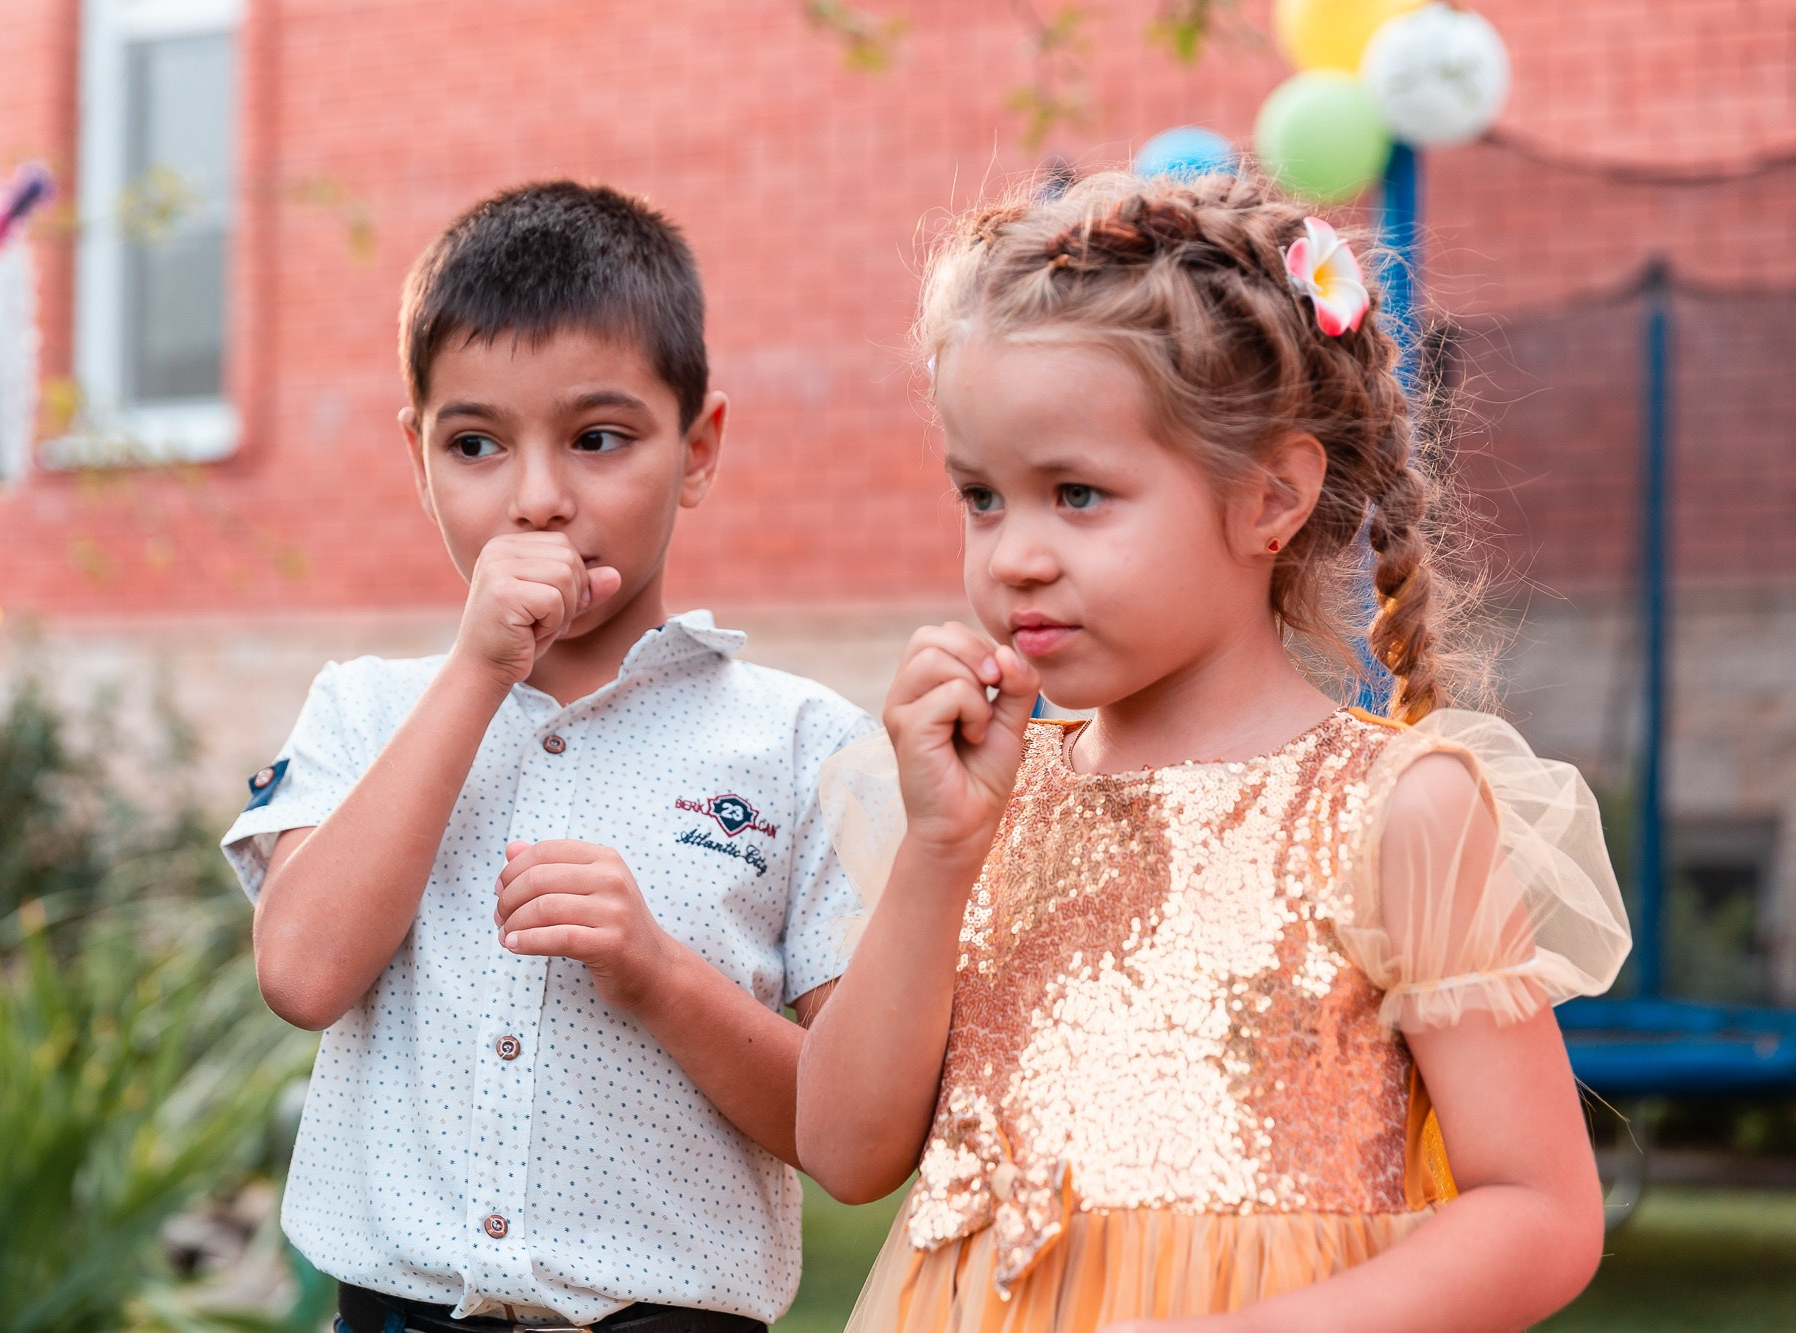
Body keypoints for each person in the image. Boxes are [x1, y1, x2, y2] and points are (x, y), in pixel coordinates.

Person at [795, 171, 1633, 1333]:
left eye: (1075, 494)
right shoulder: (986, 800)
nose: (1015, 556)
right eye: (980, 497)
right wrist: (939, 851)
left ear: (1268, 500)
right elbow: (840, 1150)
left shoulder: (1395, 809)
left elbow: (1538, 1209)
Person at [222, 181, 872, 1333]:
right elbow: (303, 972)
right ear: (415, 454)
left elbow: (848, 1131)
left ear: (699, 448)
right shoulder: (364, 712)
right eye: (474, 443)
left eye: (597, 439)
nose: (536, 499)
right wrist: (478, 672)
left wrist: (658, 975)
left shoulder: (799, 742)